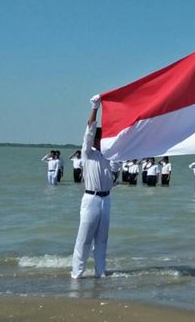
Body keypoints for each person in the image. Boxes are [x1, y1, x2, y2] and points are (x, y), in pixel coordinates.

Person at [71, 94, 115, 279]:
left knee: (102, 240)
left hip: (106, 199)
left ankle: (100, 272)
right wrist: (95, 108)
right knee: (84, 239)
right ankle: (77, 273)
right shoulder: (88, 153)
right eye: (102, 138)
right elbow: (89, 130)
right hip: (91, 198)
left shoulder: (110, 156)